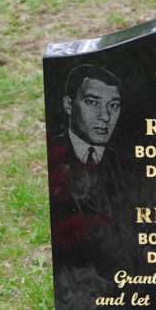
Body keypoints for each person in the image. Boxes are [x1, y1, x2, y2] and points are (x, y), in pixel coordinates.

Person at [48, 64, 125, 220]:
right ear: (68, 105)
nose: (105, 116)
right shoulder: (52, 152)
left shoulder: (126, 162)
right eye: (93, 102)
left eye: (114, 105)